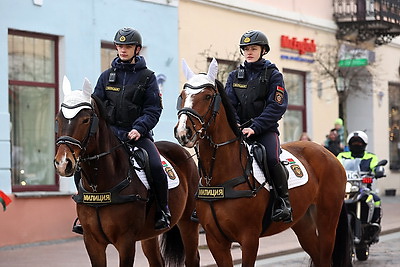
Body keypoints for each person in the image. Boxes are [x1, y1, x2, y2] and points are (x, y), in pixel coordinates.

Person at [73, 27, 170, 233]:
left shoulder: (147, 77)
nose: (123, 50)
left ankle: (163, 211)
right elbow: (96, 108)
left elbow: (153, 109)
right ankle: (82, 213)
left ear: (137, 49)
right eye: (120, 46)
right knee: (81, 166)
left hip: (137, 136)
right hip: (110, 136)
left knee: (155, 167)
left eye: (127, 46)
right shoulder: (106, 76)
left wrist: (139, 128)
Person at [224, 30, 292, 223]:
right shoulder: (234, 76)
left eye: (254, 48)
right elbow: (229, 105)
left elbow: (276, 106)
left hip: (265, 130)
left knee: (271, 158)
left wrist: (255, 127)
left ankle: (283, 202)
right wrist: (235, 123)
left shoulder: (273, 75)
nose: (249, 52)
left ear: (263, 50)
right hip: (238, 131)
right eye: (246, 49)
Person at [337, 131, 382, 240]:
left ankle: (373, 224)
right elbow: (335, 165)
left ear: (364, 144)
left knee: (375, 199)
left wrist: (378, 171)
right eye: (354, 143)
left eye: (359, 143)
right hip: (346, 188)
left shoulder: (370, 157)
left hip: (363, 188)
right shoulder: (342, 155)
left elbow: (375, 166)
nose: (356, 145)